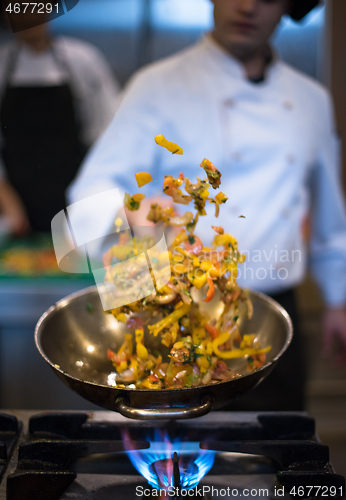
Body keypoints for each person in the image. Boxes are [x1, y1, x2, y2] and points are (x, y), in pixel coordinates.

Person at [68, 0, 346, 410]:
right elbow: (86, 194)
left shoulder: (312, 101)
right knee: (171, 467)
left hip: (268, 325)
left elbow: (330, 219)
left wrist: (338, 299)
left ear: (290, 6)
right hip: (172, 322)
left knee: (273, 460)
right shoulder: (155, 85)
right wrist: (129, 209)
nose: (248, 6)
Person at [0, 3, 120, 233]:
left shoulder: (83, 60)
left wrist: (95, 194)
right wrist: (7, 202)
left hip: (76, 195)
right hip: (15, 206)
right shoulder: (2, 63)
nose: (27, 16)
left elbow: (108, 133)